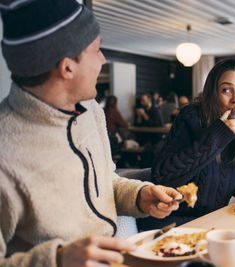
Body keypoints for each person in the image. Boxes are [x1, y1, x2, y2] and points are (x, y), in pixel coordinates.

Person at [0, 1, 181, 266]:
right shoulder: (5, 151)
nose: (103, 60)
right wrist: (58, 260)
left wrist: (139, 196)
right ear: (67, 68)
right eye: (97, 49)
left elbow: (106, 182)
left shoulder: (91, 110)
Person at [137, 58, 235, 231]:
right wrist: (219, 134)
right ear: (214, 94)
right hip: (171, 224)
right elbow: (162, 176)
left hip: (213, 224)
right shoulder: (191, 117)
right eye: (226, 90)